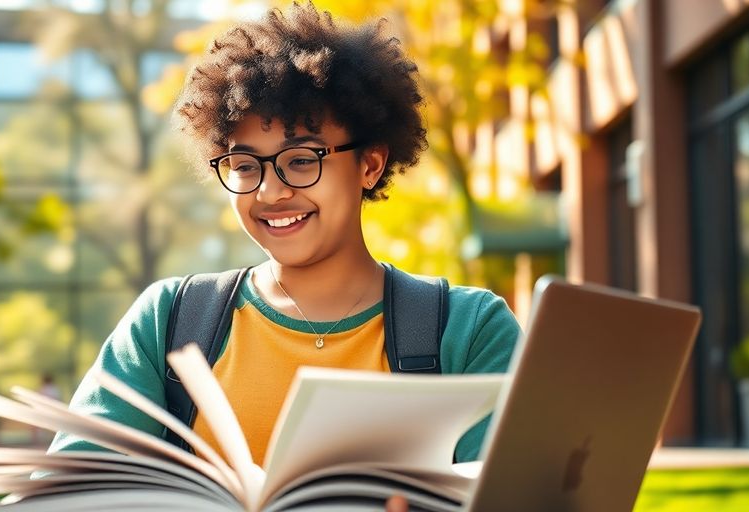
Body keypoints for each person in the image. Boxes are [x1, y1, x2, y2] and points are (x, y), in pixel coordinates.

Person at [50, 1, 520, 503]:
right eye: (245, 165)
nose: (270, 193)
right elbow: (68, 495)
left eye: (301, 160)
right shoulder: (170, 321)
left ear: (370, 165)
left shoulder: (468, 330)